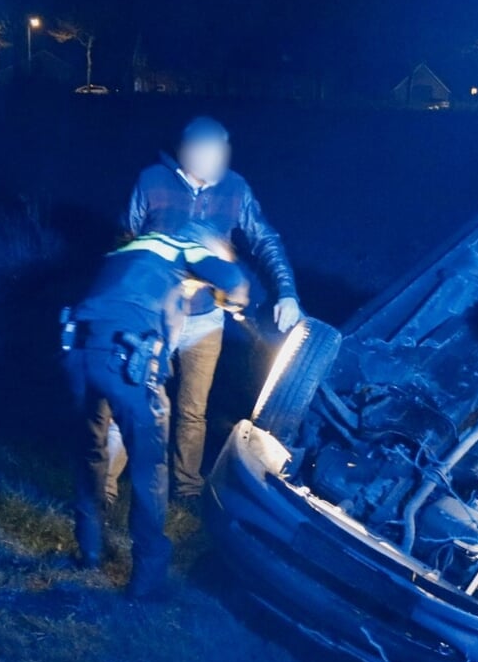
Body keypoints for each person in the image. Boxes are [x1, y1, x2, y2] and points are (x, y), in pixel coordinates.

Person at [123, 117, 302, 501]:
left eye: (219, 151)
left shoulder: (235, 189)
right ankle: (113, 488)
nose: (213, 159)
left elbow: (265, 239)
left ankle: (185, 489)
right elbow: (125, 236)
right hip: (156, 316)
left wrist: (286, 292)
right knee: (139, 398)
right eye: (204, 151)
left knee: (192, 410)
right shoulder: (152, 180)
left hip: (206, 320)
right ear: (185, 149)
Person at [63, 231, 248, 597]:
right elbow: (233, 280)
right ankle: (146, 579)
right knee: (150, 468)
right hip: (125, 361)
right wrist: (231, 300)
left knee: (90, 452)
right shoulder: (184, 247)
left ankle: (89, 550)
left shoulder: (132, 252)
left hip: (78, 353)